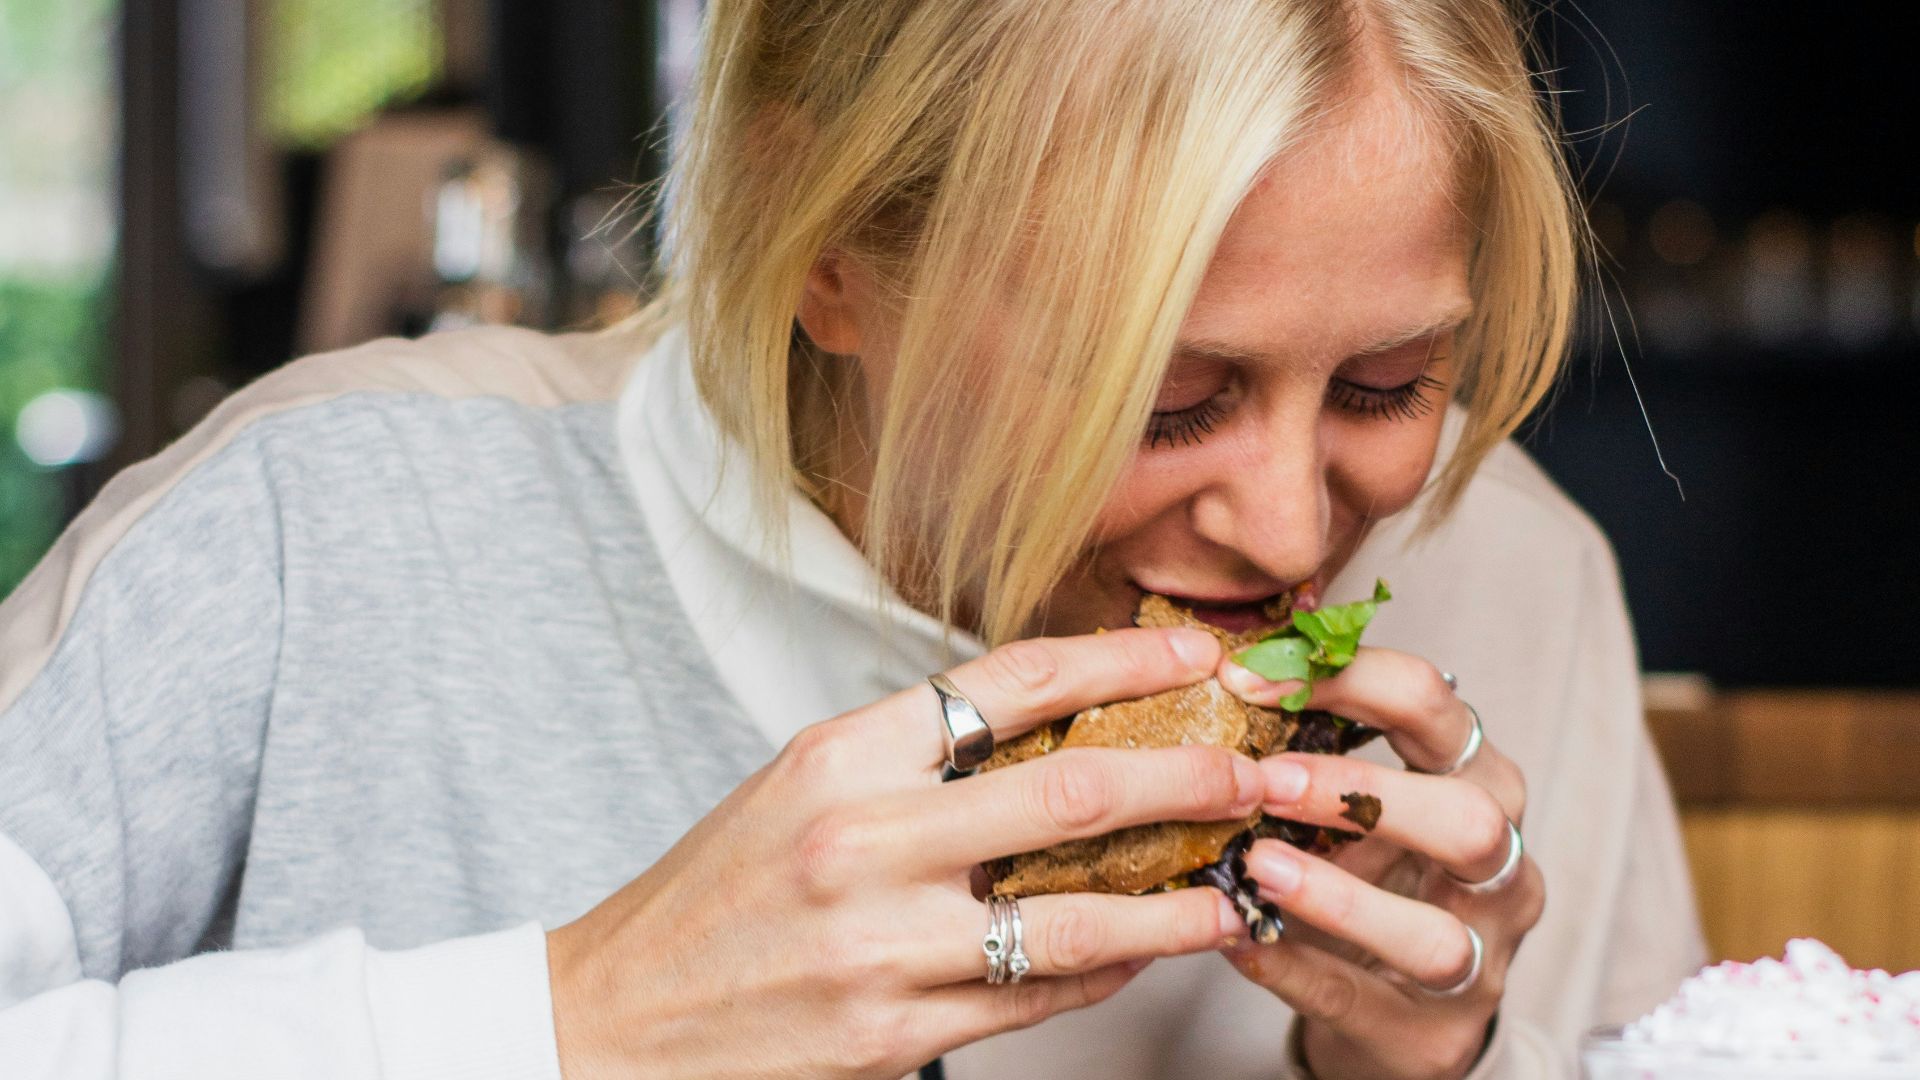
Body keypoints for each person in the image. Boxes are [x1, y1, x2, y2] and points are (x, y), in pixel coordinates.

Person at [0, 0, 1705, 1076]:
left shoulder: (1524, 583)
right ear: (828, 248)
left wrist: (1449, 1066)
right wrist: (573, 1022)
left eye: (1392, 385)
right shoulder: (325, 530)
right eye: (1165, 397)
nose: (1286, 526)